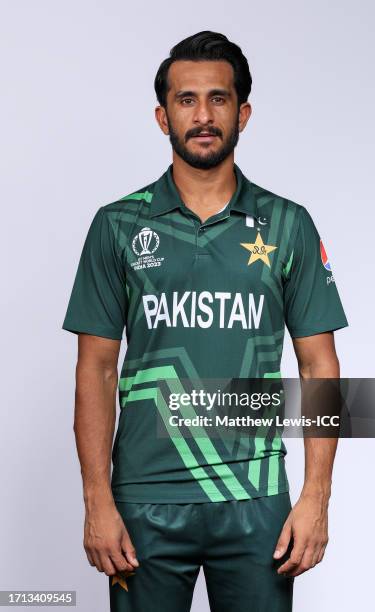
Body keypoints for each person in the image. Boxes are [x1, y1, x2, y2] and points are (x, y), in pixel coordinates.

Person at [62, 30, 348, 612]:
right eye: (186, 99)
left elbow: (319, 364)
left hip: (256, 498)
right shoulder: (117, 225)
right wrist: (97, 500)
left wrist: (316, 496)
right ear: (162, 117)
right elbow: (95, 369)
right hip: (143, 501)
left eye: (218, 99)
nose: (203, 115)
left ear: (242, 113)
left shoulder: (287, 224)